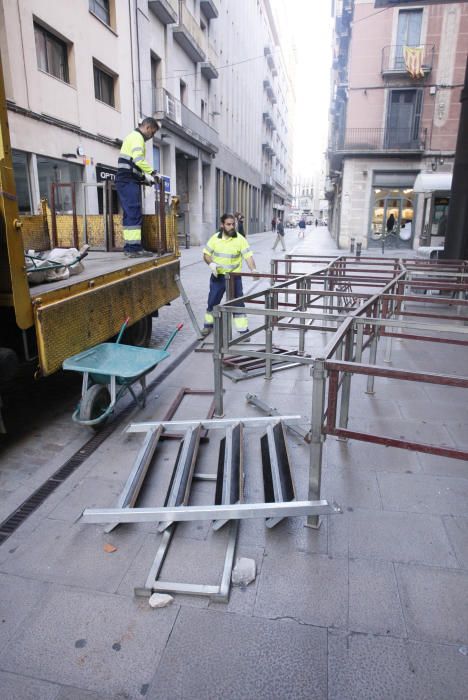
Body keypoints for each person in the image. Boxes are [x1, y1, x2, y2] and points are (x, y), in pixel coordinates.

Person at [201, 213, 258, 339]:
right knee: (212, 302)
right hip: (218, 277)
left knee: (238, 304)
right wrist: (211, 264)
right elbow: (206, 254)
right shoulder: (215, 238)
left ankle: (243, 330)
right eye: (228, 224)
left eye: (233, 224)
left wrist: (253, 269)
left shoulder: (240, 240)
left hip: (234, 278)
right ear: (222, 225)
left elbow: (248, 256)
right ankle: (208, 325)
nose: (231, 227)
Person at [115, 117, 160, 257]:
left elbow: (132, 166)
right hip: (128, 181)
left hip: (127, 180)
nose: (151, 136)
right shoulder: (137, 138)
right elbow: (138, 160)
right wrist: (152, 172)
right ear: (148, 128)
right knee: (133, 213)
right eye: (152, 133)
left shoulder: (133, 137)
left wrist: (145, 179)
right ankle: (133, 248)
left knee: (130, 213)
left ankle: (130, 247)